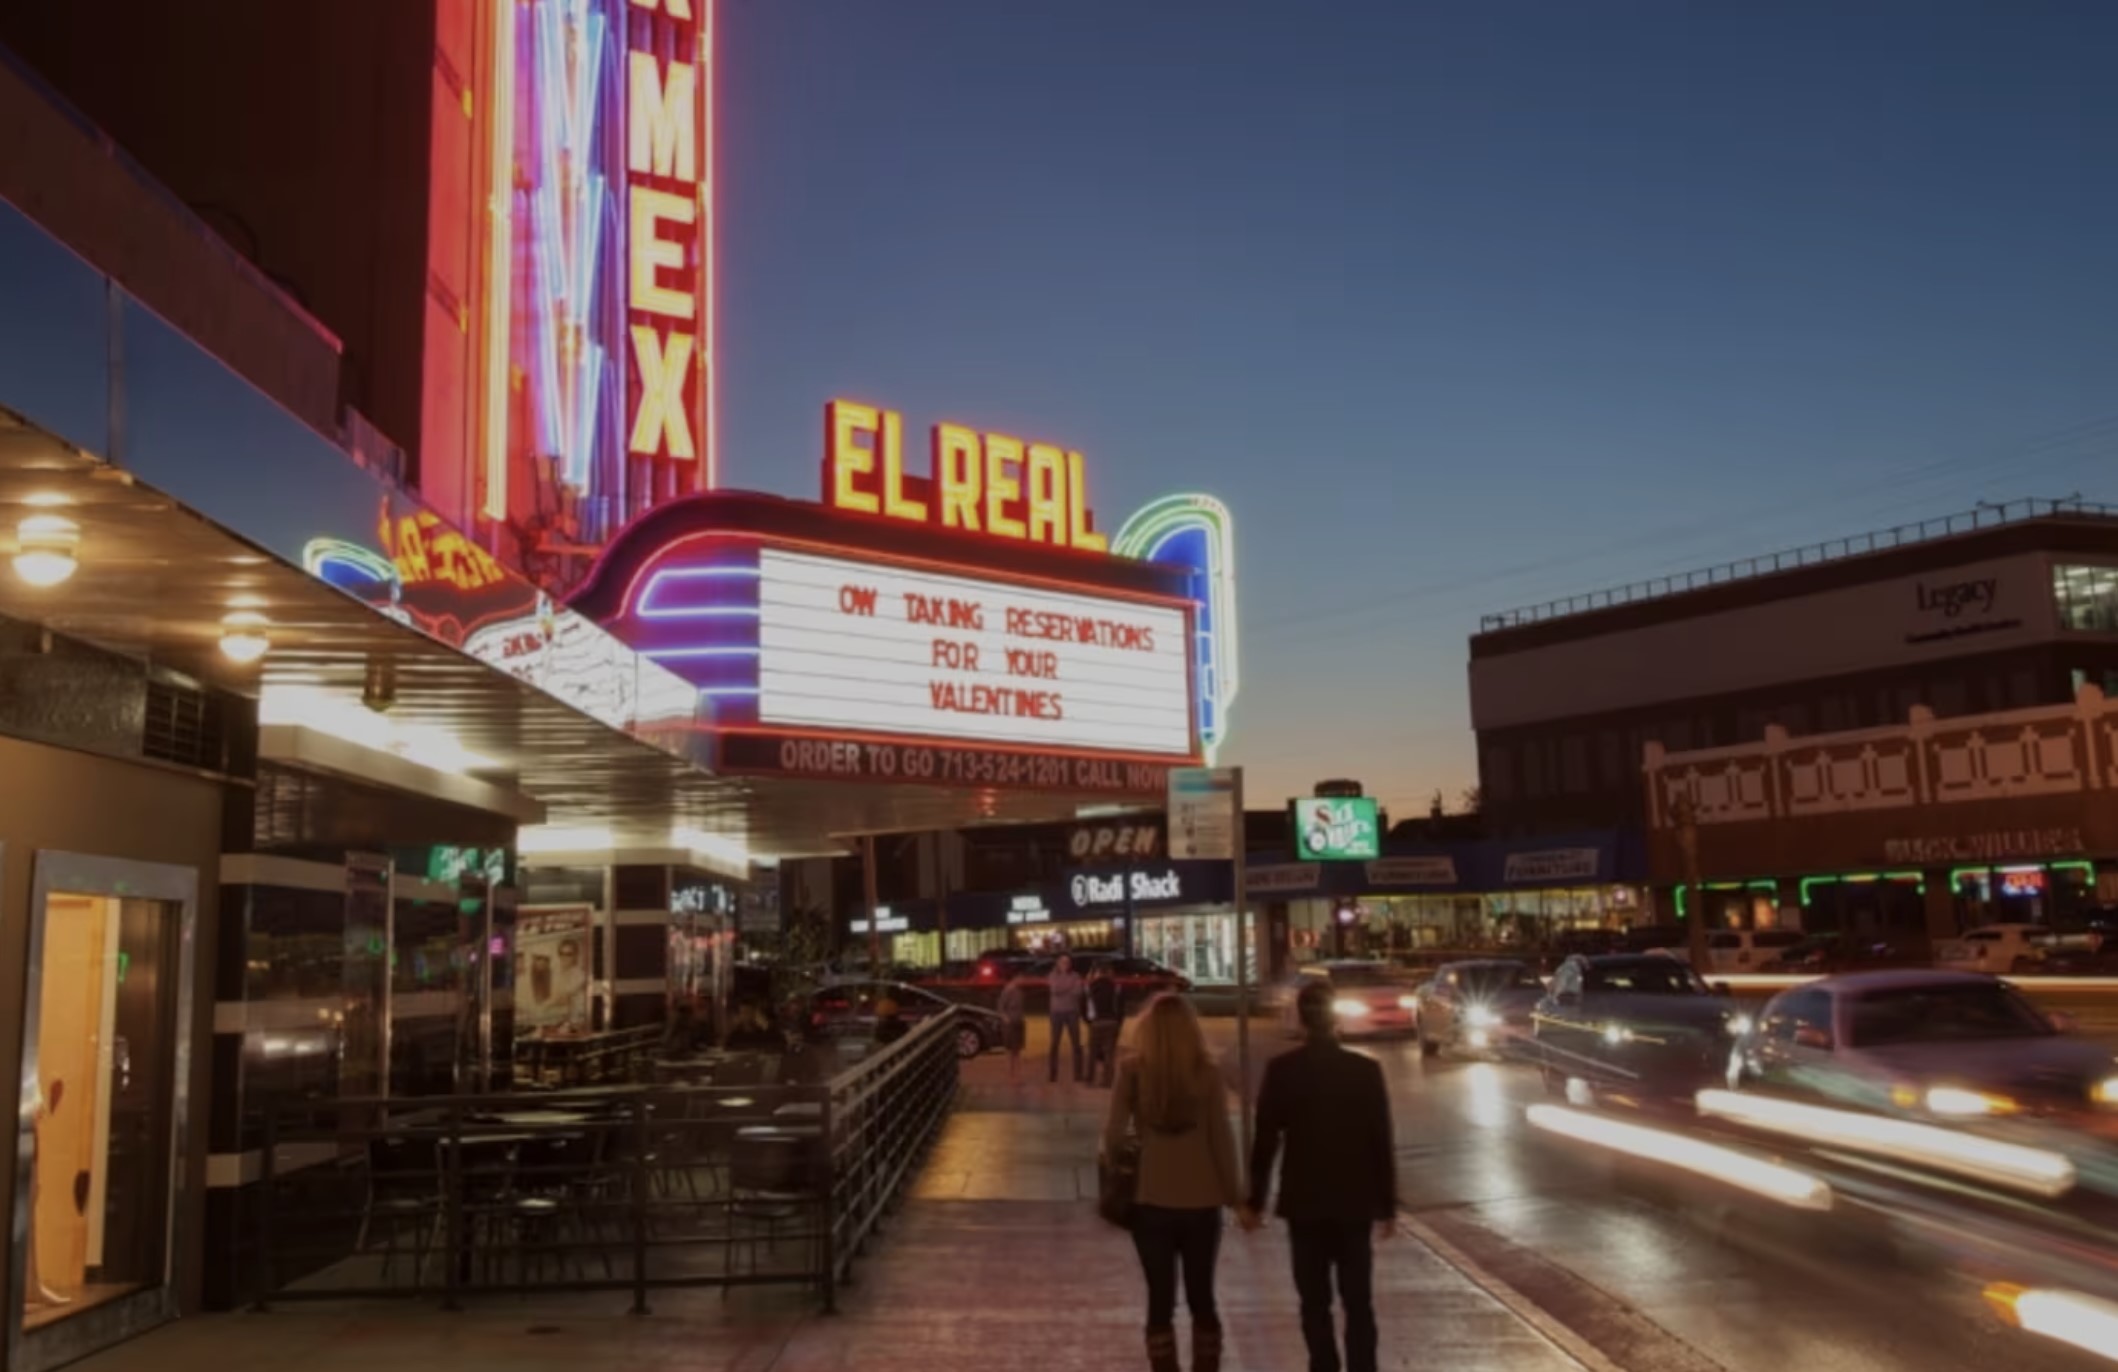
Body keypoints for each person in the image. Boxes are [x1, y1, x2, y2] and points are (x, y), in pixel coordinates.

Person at [1248, 980, 1399, 1372]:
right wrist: (1387, 1204)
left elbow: (1265, 1140)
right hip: (1355, 1203)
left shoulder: (1283, 1071)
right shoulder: (1365, 1071)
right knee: (1358, 1300)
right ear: (1335, 1018)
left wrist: (1255, 1201)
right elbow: (1379, 1139)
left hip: (1305, 1203)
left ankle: (1324, 1365)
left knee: (1314, 1302)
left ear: (1300, 1018)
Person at [1103, 993, 1251, 1372]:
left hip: (1150, 1200)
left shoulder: (1132, 1071)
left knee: (1160, 1299)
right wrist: (1235, 1196)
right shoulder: (1207, 1072)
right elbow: (1221, 1139)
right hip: (1202, 1202)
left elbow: (1115, 1137)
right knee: (1203, 1296)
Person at [1047, 954, 1086, 1083]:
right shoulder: (1052, 975)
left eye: (1067, 962)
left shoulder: (1076, 976)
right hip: (1056, 1013)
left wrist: (1065, 988)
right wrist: (1069, 987)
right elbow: (1055, 989)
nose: (1065, 964)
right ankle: (1052, 1075)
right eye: (1063, 962)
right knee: (1054, 1044)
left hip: (1072, 1013)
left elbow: (1078, 992)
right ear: (1058, 963)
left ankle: (1078, 1075)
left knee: (1076, 1045)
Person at [1086, 962, 1124, 1086]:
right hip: (1111, 1022)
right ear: (1109, 973)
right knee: (1109, 1054)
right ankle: (1107, 1081)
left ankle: (1090, 1079)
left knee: (1092, 1052)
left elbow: (1084, 1006)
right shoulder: (1116, 988)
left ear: (1097, 973)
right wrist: (1118, 1022)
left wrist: (1088, 1021)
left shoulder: (1090, 987)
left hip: (1096, 1022)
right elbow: (1121, 1008)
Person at [998, 973, 1029, 1082]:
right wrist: (1006, 1019)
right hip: (1010, 1023)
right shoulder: (1008, 990)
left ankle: (1017, 1074)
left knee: (1017, 1050)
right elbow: (1001, 1007)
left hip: (1018, 1022)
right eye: (1021, 978)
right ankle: (1011, 1075)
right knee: (1010, 1051)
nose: (1023, 980)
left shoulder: (1020, 991)